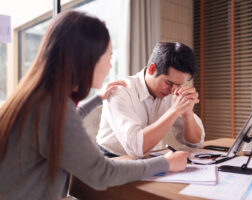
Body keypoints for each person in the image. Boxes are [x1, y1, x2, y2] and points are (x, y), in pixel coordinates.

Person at [0, 10, 189, 200]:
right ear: (86, 59)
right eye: (108, 56)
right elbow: (101, 173)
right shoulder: (53, 108)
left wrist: (98, 99)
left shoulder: (39, 98)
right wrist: (165, 163)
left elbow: (66, 120)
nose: (109, 66)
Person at [97, 42, 205, 159]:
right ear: (152, 69)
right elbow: (136, 148)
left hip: (146, 158)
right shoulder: (119, 91)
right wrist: (175, 110)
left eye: (179, 85)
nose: (172, 90)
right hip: (109, 159)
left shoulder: (173, 92)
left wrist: (187, 113)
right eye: (169, 82)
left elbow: (195, 143)